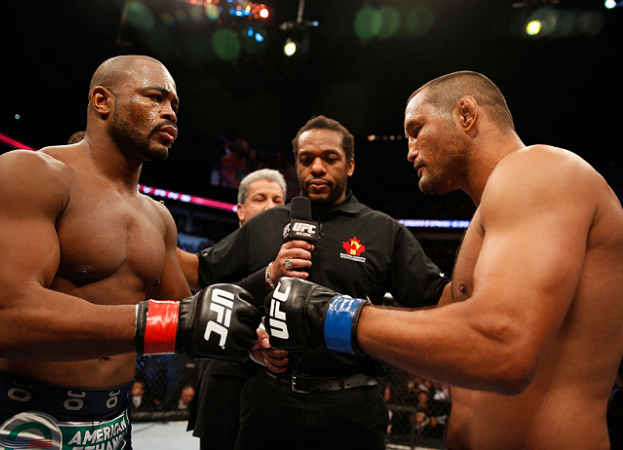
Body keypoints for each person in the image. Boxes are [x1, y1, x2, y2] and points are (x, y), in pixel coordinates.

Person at [264, 71, 623, 450]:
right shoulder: (493, 221)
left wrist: (333, 314)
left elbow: (501, 347)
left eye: (416, 130)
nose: (409, 151)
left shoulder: (541, 169)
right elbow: (448, 329)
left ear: (466, 114)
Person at [0, 54, 261, 450]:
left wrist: (258, 334)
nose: (170, 113)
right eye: (155, 97)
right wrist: (167, 325)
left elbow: (190, 317)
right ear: (102, 101)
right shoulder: (30, 174)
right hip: (24, 418)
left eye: (174, 105)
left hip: (114, 421)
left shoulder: (158, 217)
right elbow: (0, 320)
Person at [177, 115, 449, 450]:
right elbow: (201, 273)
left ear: (350, 166)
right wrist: (152, 223)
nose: (317, 168)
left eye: (329, 158)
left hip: (352, 404)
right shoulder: (265, 224)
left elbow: (435, 297)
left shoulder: (383, 230)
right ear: (297, 166)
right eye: (306, 160)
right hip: (270, 398)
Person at [185, 168, 287, 450]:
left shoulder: (298, 255)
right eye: (260, 199)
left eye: (278, 201)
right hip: (228, 386)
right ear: (241, 211)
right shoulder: (221, 255)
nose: (270, 207)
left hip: (282, 388)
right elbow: (206, 303)